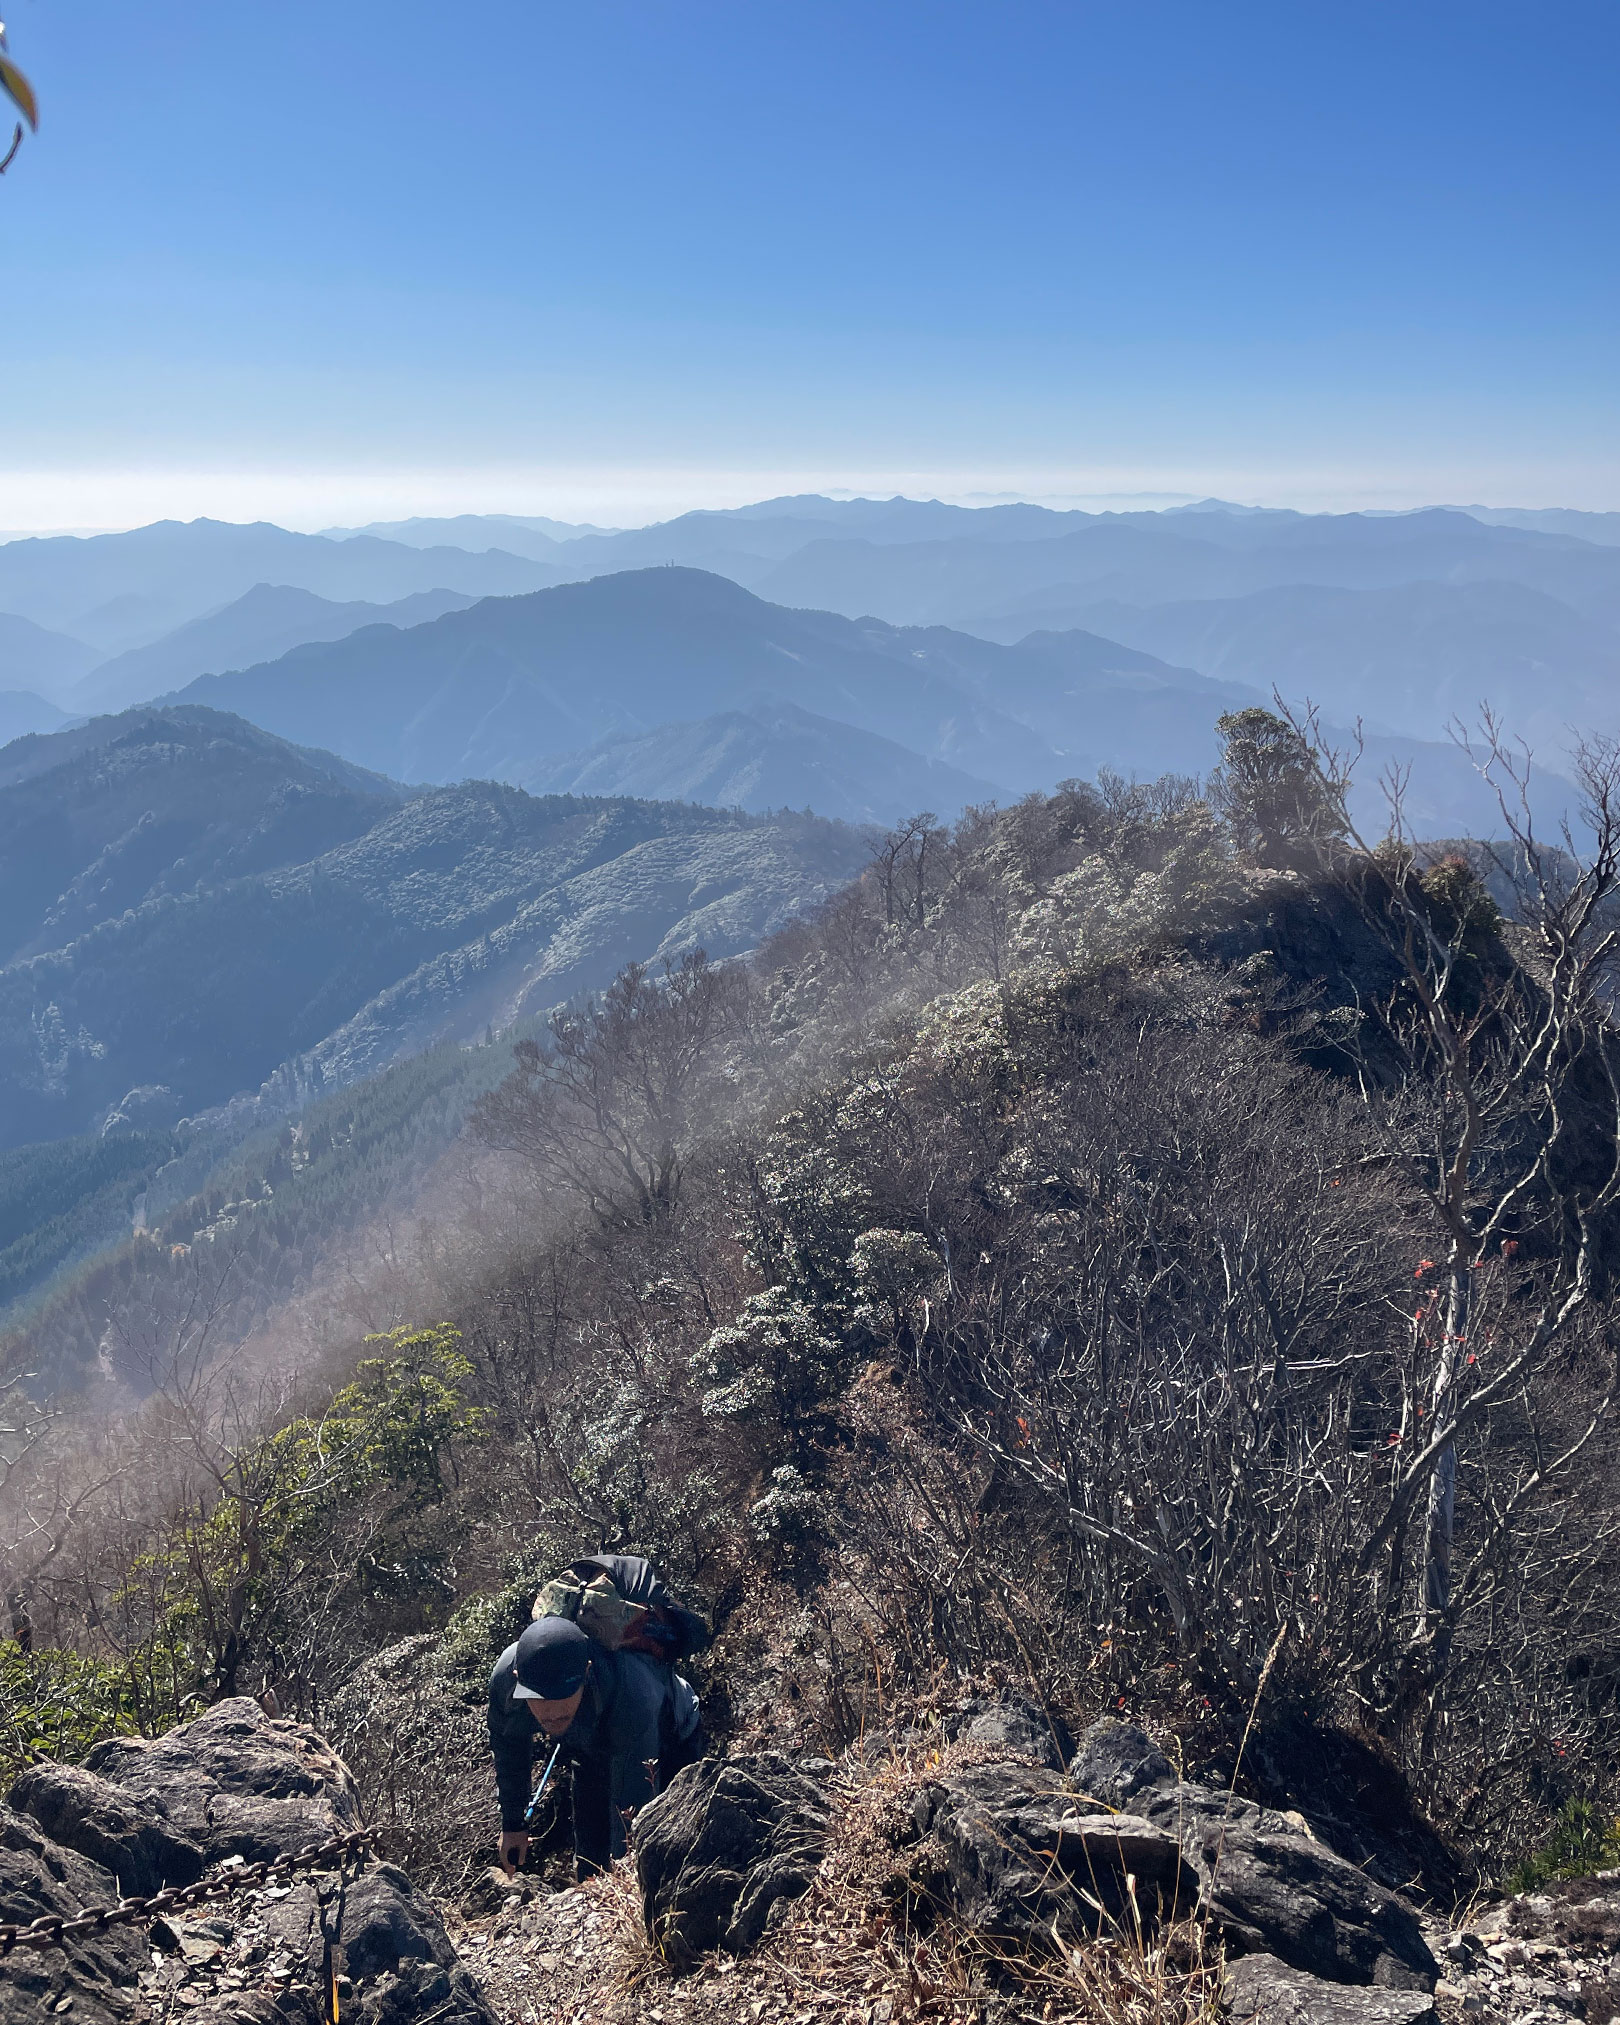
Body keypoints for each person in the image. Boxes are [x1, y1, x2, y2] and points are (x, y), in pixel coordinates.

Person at [488, 1553, 705, 1876]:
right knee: (589, 1863)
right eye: (538, 1702)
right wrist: (513, 1824)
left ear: (587, 1675)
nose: (550, 1717)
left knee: (668, 1855)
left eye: (562, 1705)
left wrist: (625, 1884)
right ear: (519, 1679)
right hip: (588, 1741)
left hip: (669, 1739)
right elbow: (509, 1748)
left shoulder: (633, 1697)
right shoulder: (507, 1677)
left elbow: (634, 1812)